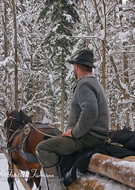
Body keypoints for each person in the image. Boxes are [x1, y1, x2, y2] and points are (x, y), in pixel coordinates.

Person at [36, 49, 109, 190]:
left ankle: (54, 187)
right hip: (93, 135)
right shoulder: (94, 82)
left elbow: (90, 111)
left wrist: (75, 133)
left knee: (43, 148)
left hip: (88, 137)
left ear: (76, 67)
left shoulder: (84, 84)